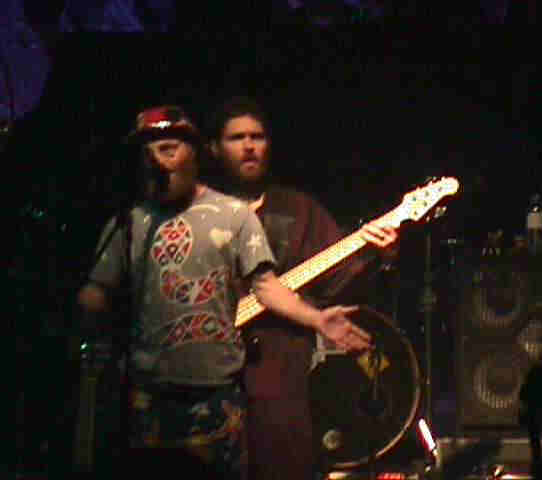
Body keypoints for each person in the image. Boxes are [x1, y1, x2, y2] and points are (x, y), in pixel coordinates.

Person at [75, 105, 373, 479]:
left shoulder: (233, 215)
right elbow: (97, 291)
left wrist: (317, 319)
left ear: (194, 152)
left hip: (216, 394)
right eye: (146, 151)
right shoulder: (129, 222)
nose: (157, 160)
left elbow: (266, 287)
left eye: (168, 148)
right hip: (146, 395)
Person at [203, 96, 399, 480]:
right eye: (237, 138)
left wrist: (379, 256)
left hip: (280, 368)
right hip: (205, 367)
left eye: (257, 137)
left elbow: (340, 284)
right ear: (213, 148)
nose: (249, 146)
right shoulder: (197, 210)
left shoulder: (299, 210)